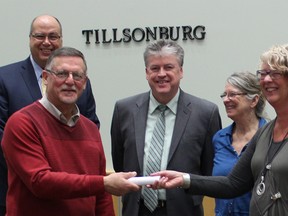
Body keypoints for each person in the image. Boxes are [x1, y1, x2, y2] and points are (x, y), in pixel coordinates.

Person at [1, 47, 140, 216]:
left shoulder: (90, 128)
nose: (70, 81)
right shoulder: (22, 123)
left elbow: (101, 197)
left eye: (77, 76)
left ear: (85, 82)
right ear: (45, 78)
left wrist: (103, 185)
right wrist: (103, 183)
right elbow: (40, 182)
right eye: (62, 74)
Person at [152, 44, 288, 216]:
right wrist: (184, 179)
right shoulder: (265, 133)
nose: (267, 80)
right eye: (263, 73)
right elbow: (233, 184)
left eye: (275, 73)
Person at [0, 15, 100, 215]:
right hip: (24, 192)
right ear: (30, 39)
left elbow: (90, 132)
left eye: (53, 36)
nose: (47, 42)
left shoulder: (81, 88)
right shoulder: (5, 79)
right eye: (40, 36)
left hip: (77, 197)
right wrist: (37, 165)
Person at [110, 39, 222, 216]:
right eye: (155, 68)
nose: (161, 74)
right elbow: (119, 162)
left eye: (168, 67)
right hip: (137, 210)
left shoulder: (206, 113)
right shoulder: (124, 109)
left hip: (184, 210)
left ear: (181, 71)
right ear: (146, 73)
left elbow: (209, 170)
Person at [213, 72, 267, 216]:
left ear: (254, 100)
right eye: (224, 94)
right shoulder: (219, 138)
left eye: (232, 94)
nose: (225, 100)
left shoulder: (270, 137)